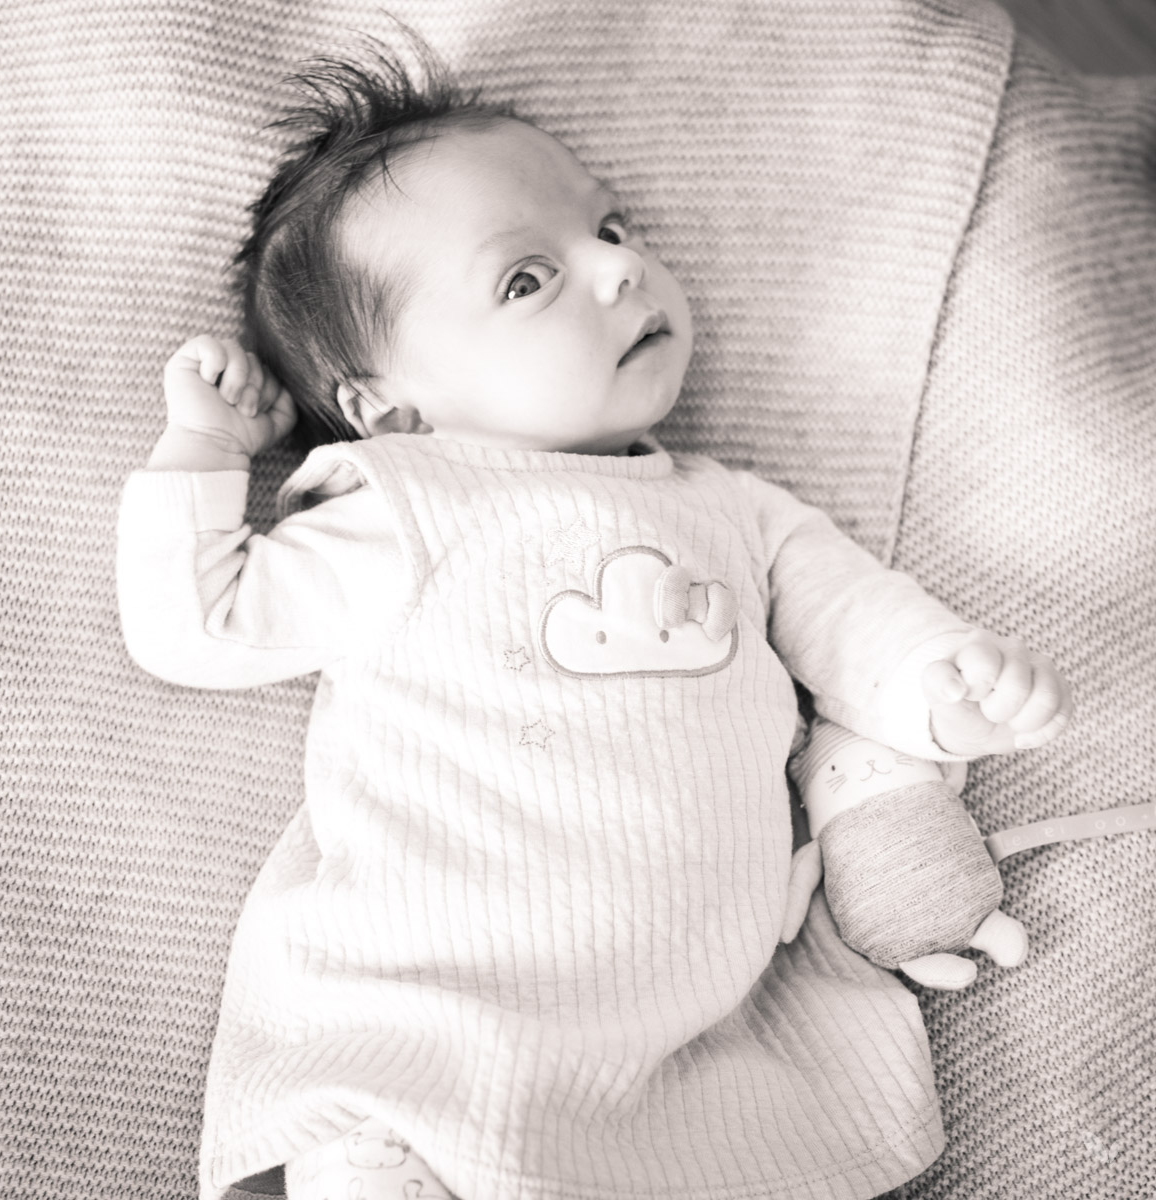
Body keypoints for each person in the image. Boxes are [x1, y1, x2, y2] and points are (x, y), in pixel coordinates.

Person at [116, 31, 1071, 1200]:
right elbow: (196, 622)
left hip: (697, 1017)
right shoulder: (407, 510)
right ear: (391, 411)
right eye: (527, 280)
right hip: (438, 1001)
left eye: (611, 229)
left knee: (745, 1151)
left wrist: (945, 681)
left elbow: (853, 621)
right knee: (410, 1140)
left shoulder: (733, 509)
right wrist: (204, 447)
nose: (619, 269)